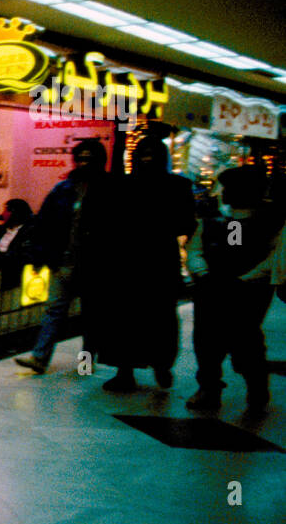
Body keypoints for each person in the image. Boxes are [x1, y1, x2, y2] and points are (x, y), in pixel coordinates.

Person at [96, 135, 196, 392]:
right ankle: (158, 365)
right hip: (157, 258)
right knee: (156, 317)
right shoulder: (178, 186)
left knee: (129, 317)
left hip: (130, 259)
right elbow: (186, 224)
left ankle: (129, 369)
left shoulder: (122, 186)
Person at [184, 167, 284, 413]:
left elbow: (276, 256)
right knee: (206, 338)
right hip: (214, 287)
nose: (225, 193)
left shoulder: (271, 221)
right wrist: (204, 274)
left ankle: (256, 385)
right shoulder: (213, 219)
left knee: (245, 337)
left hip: (249, 291)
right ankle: (209, 387)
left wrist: (246, 279)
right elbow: (196, 249)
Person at [16, 138, 112, 374]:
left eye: (87, 159)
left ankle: (85, 362)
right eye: (79, 159)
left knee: (91, 317)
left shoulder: (109, 189)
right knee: (55, 310)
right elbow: (44, 224)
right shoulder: (63, 190)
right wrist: (39, 256)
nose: (82, 163)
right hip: (65, 261)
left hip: (94, 264)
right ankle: (40, 357)